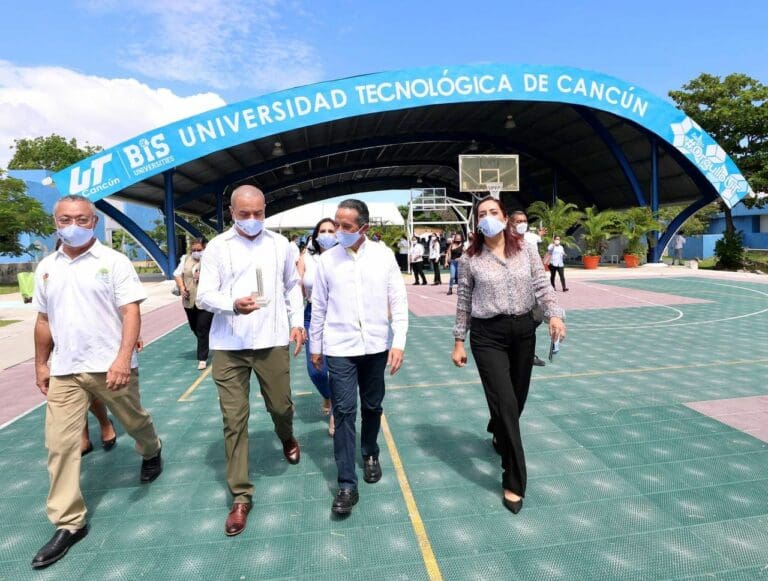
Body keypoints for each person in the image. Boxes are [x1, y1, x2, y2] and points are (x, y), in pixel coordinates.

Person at [31, 194, 162, 569]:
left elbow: (130, 311)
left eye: (82, 219)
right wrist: (41, 364)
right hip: (65, 369)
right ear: (55, 222)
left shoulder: (114, 262)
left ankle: (151, 449)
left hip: (110, 366)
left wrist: (122, 358)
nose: (73, 226)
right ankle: (69, 522)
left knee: (133, 420)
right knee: (60, 445)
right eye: (65, 219)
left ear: (94, 222)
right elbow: (43, 320)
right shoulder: (47, 268)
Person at [196, 185, 305, 537]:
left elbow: (292, 285)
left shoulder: (280, 245)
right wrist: (232, 304)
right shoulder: (217, 248)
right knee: (234, 419)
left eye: (258, 213)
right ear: (232, 213)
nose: (253, 219)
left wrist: (298, 322)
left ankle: (286, 436)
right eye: (245, 214)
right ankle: (241, 496)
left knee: (280, 406)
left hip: (272, 340)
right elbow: (203, 296)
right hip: (230, 345)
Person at [451, 196, 565, 515]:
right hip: (487, 335)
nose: (488, 217)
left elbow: (542, 285)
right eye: (482, 214)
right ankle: (513, 479)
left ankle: (498, 429)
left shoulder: (526, 249)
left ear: (505, 218)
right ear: (477, 222)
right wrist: (459, 340)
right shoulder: (470, 258)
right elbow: (463, 301)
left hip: (524, 331)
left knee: (517, 399)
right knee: (506, 403)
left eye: (493, 212)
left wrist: (555, 315)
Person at [309, 199, 408, 516]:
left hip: (376, 346)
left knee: (373, 405)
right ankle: (346, 484)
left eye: (346, 226)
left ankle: (370, 451)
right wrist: (315, 346)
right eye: (336, 224)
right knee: (344, 411)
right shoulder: (327, 261)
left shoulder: (383, 256)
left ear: (364, 227)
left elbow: (398, 300)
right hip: (340, 348)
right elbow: (319, 306)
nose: (338, 231)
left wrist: (398, 342)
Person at [297, 218, 337, 437]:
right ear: (315, 235)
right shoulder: (306, 258)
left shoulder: (344, 256)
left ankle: (335, 412)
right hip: (312, 314)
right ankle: (328, 395)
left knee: (338, 367)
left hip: (338, 315)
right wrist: (296, 322)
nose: (327, 234)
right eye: (323, 231)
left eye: (331, 230)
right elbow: (296, 289)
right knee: (316, 370)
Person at [173, 238, 215, 370]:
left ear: (205, 249)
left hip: (205, 301)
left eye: (199, 250)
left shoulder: (212, 260)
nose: (196, 252)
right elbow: (177, 274)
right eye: (194, 250)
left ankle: (202, 358)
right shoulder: (185, 259)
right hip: (189, 300)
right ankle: (206, 341)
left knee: (202, 328)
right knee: (194, 327)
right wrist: (182, 287)